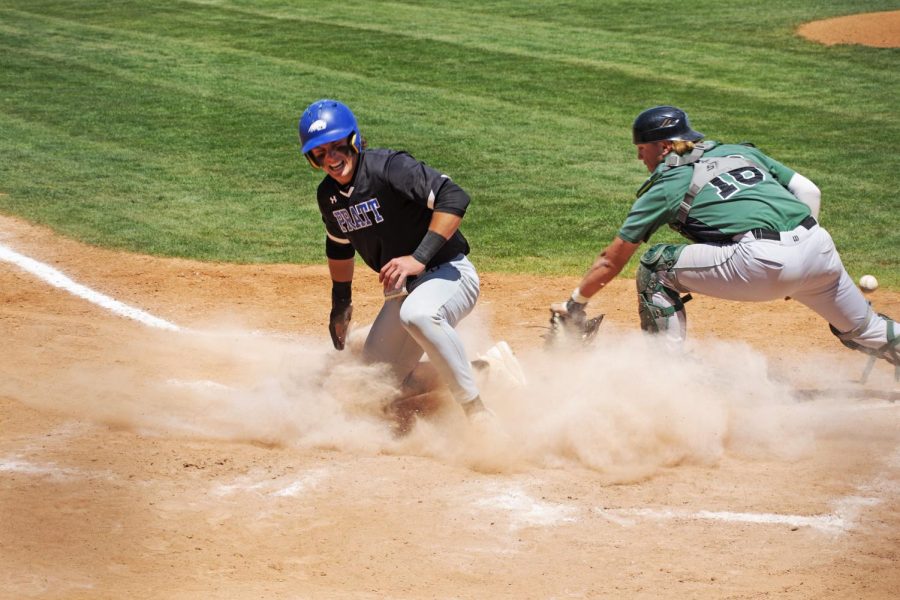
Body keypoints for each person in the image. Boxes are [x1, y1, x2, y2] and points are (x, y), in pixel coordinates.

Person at [551, 105, 898, 375]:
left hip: (763, 262)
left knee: (656, 266)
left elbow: (612, 260)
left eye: (642, 148)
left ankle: (665, 376)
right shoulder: (737, 152)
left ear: (664, 146)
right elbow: (809, 190)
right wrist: (798, 257)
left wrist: (576, 302)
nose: (639, 156)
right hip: (819, 248)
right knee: (866, 329)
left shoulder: (668, 184)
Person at [298, 99, 493, 423]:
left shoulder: (388, 167)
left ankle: (478, 413)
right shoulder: (329, 196)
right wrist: (341, 303)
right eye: (321, 152)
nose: (331, 158)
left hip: (448, 273)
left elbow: (454, 197)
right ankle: (486, 370)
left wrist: (418, 258)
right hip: (404, 293)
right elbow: (339, 246)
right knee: (371, 389)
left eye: (336, 146)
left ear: (353, 140)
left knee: (419, 315)